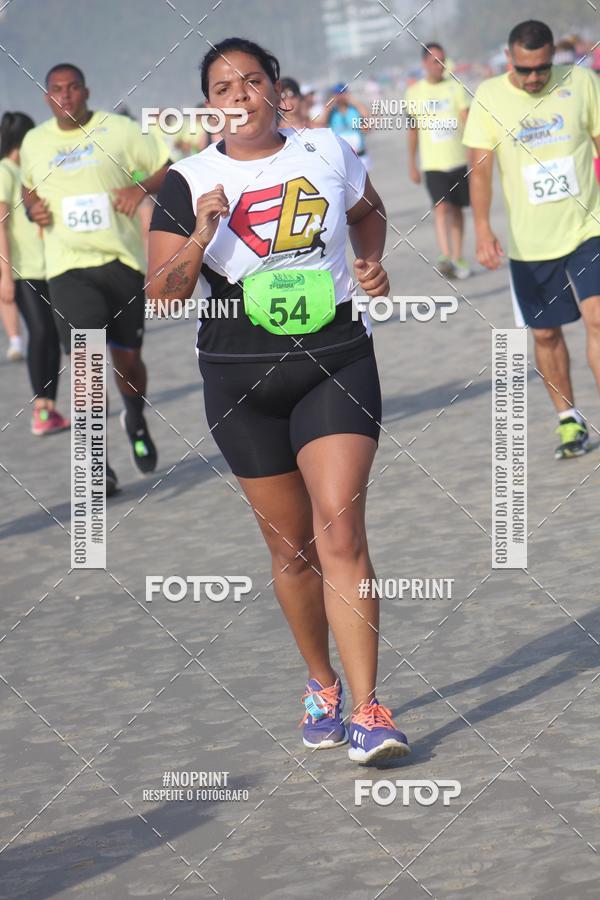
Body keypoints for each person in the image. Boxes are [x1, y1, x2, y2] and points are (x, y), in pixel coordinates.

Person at [147, 37, 410, 765]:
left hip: (335, 361)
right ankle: (321, 683)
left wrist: (371, 262)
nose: (241, 95)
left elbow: (369, 211)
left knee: (341, 534)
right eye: (224, 88)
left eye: (252, 81)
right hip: (240, 382)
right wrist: (202, 231)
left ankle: (370, 709)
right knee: (292, 552)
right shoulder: (185, 181)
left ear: (275, 88)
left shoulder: (325, 149)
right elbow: (163, 295)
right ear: (208, 105)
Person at [20, 63, 171, 493]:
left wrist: (139, 189)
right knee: (86, 361)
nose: (65, 96)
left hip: (121, 264)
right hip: (67, 269)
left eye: (73, 88)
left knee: (128, 361)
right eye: (57, 90)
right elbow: (28, 186)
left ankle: (135, 417)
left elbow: (167, 167)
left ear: (86, 92)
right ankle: (95, 461)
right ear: (47, 98)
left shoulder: (120, 130)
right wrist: (31, 207)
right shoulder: (34, 142)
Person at [464, 20, 600, 459]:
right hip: (529, 242)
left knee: (598, 318)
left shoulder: (581, 82)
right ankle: (568, 420)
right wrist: (482, 229)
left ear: (552, 56)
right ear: (509, 59)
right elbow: (479, 170)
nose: (534, 77)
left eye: (542, 67)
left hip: (588, 228)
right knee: (545, 335)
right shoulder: (489, 96)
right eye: (524, 69)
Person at [0, 112, 69, 434]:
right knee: (40, 333)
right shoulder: (5, 170)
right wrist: (5, 274)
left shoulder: (31, 169)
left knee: (53, 334)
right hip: (23, 270)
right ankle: (40, 409)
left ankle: (49, 408)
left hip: (50, 265)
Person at [406, 43, 471, 278]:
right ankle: (445, 255)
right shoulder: (414, 92)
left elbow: (467, 121)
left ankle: (458, 256)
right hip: (433, 164)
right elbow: (412, 130)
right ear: (424, 63)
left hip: (458, 159)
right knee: (441, 206)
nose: (440, 65)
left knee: (458, 209)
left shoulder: (456, 87)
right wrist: (412, 163)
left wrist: (475, 153)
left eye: (442, 60)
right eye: (435, 61)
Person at [316, 84, 372, 169]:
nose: (340, 96)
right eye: (337, 94)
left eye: (342, 93)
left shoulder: (354, 110)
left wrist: (352, 101)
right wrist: (330, 104)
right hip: (341, 158)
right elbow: (320, 124)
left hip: (359, 154)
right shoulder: (332, 113)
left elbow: (366, 117)